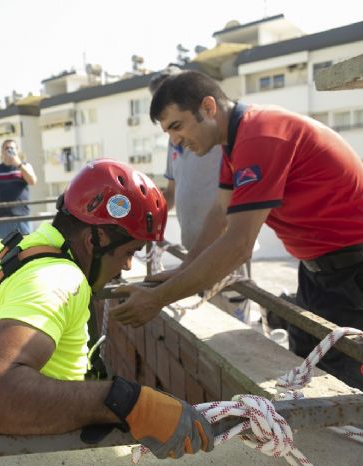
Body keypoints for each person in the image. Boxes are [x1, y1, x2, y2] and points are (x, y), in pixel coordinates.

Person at [112, 70, 363, 389]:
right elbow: (220, 214)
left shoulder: (259, 136)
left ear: (208, 107)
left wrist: (159, 298)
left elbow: (238, 244)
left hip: (351, 271)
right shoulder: (235, 142)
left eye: (177, 126)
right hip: (318, 269)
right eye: (168, 132)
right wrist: (183, 270)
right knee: (305, 371)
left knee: (338, 385)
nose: (175, 142)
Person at [0, 159, 213, 459]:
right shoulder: (60, 279)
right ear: (94, 239)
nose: (126, 266)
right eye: (128, 252)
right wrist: (131, 404)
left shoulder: (16, 249)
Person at [150, 68, 251, 323]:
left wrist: (157, 297)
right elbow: (176, 197)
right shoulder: (180, 141)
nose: (174, 136)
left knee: (235, 325)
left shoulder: (228, 135)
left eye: (175, 122)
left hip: (225, 249)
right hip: (195, 248)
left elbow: (236, 232)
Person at [0, 139, 38, 239]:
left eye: (12, 148)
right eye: (6, 148)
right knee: (5, 251)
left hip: (22, 216)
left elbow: (32, 181)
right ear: (2, 152)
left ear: (17, 150)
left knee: (25, 248)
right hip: (2, 218)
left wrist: (18, 164)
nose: (9, 150)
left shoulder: (25, 166)